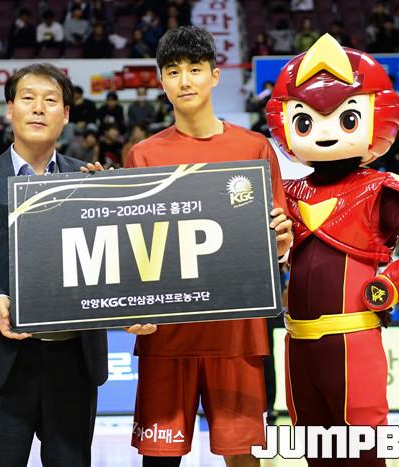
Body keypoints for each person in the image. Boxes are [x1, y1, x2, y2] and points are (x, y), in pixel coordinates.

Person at [265, 34, 399, 465]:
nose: (324, 131)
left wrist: (388, 286)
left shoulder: (380, 190)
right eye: (307, 120)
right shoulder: (287, 193)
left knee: (363, 447)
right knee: (314, 448)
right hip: (297, 341)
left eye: (345, 117)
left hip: (354, 339)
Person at [124, 26, 293, 467]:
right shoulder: (142, 155)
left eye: (195, 69)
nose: (185, 81)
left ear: (215, 75)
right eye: (173, 71)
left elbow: (277, 239)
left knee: (243, 457)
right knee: (159, 459)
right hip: (166, 336)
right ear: (161, 81)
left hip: (237, 333)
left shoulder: (254, 148)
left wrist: (282, 241)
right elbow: (134, 251)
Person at [0, 63, 108, 467]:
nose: (38, 108)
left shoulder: (90, 179)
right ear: (9, 109)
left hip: (73, 362)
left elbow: (111, 264)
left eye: (50, 101)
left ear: (65, 115)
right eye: (28, 98)